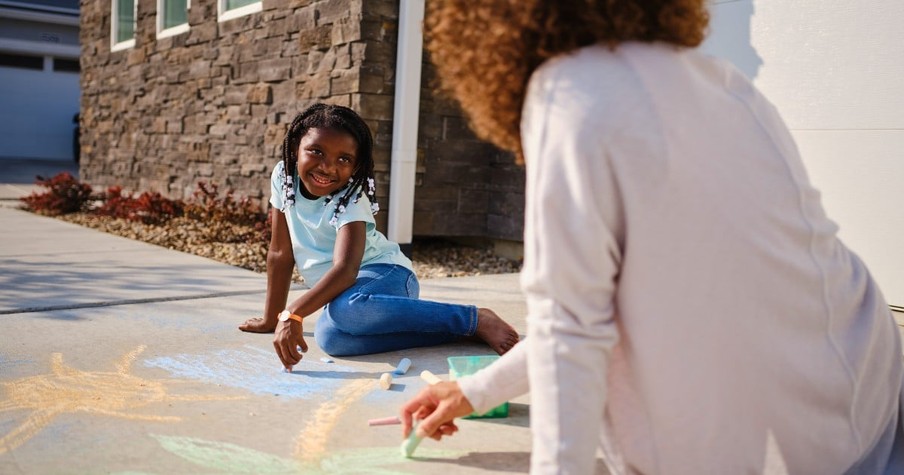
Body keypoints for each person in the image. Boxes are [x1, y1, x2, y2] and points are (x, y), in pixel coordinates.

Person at [400, 1, 904, 473]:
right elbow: (600, 313)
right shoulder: (722, 80)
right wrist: (474, 391)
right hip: (866, 392)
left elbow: (572, 332)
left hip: (764, 450)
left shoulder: (567, 91)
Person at [239, 103, 519, 368]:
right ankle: (457, 332)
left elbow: (346, 270)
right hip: (348, 297)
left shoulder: (350, 197)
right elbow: (280, 253)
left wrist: (294, 312)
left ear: (356, 166)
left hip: (388, 277)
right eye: (317, 152)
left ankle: (473, 319)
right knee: (332, 339)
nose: (328, 167)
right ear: (294, 151)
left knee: (346, 311)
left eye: (344, 159)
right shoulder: (283, 177)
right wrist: (272, 319)